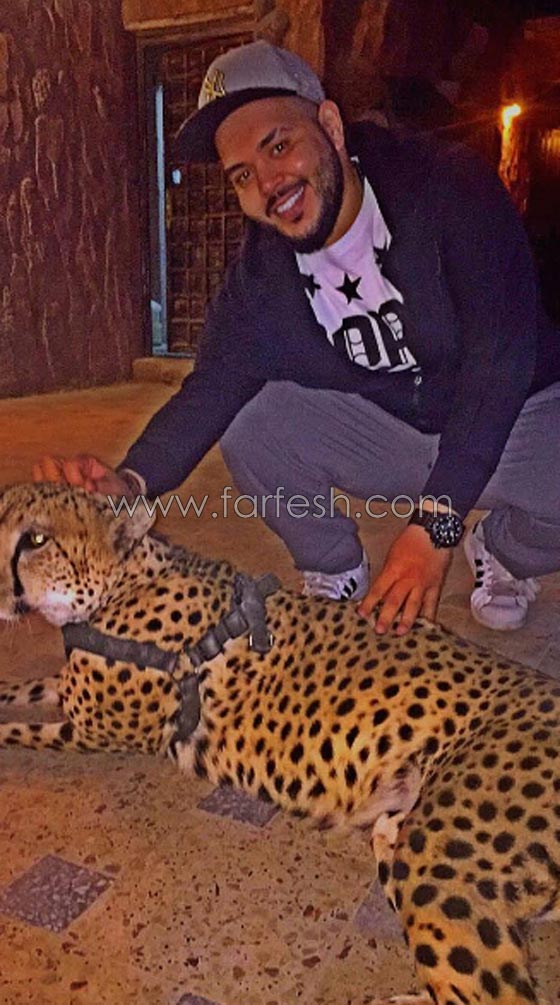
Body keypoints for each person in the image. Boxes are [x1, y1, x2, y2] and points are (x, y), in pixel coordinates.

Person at [34, 40, 560, 636]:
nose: (268, 183)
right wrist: (131, 483)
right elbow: (209, 391)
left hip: (509, 423)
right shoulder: (261, 281)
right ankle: (332, 566)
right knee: (252, 419)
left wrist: (437, 524)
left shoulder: (448, 186)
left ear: (330, 126)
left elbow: (500, 360)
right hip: (389, 433)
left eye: (278, 146)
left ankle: (506, 552)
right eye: (242, 175)